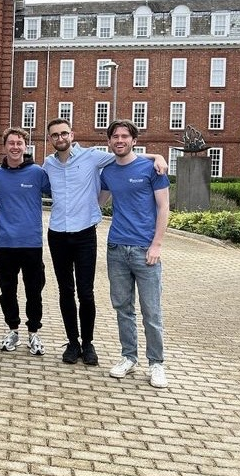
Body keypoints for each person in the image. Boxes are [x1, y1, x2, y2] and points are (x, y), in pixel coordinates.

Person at [42, 117, 167, 366]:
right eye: (55, 135)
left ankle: (88, 344)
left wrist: (157, 157)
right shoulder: (47, 164)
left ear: (72, 134)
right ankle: (72, 343)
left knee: (86, 292)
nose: (60, 138)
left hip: (85, 234)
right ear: (50, 139)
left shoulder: (91, 157)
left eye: (64, 133)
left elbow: (125, 155)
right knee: (65, 291)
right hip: (57, 234)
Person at [98, 119, 171, 388]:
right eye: (115, 136)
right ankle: (129, 357)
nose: (119, 140)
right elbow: (99, 202)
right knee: (122, 308)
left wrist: (157, 244)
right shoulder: (107, 171)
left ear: (134, 140)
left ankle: (157, 363)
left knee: (151, 310)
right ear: (109, 141)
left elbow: (164, 208)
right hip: (116, 247)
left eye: (125, 136)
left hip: (145, 250)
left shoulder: (152, 168)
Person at [0, 128, 51, 355]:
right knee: (7, 290)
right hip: (6, 242)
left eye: (19, 143)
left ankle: (33, 332)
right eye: (11, 143)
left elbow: (62, 189)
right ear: (5, 146)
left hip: (31, 243)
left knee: (34, 290)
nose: (15, 147)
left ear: (25, 147)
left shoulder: (37, 173)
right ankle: (12, 329)